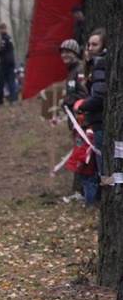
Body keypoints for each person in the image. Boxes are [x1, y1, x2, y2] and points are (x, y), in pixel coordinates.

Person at [74, 28, 106, 198]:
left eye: (95, 45)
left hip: (101, 125)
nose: (90, 48)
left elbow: (99, 96)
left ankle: (107, 197)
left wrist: (82, 106)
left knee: (104, 168)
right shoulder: (94, 67)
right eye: (89, 45)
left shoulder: (101, 65)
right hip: (97, 122)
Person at [58, 39, 90, 203]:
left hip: (82, 120)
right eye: (62, 52)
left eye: (68, 52)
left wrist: (68, 101)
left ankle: (86, 192)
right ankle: (82, 190)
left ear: (75, 53)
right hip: (75, 119)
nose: (64, 55)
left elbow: (84, 95)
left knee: (82, 155)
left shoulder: (78, 70)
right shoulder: (71, 70)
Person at [0, 22, 17, 105]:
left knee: (2, 80)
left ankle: (0, 100)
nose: (0, 31)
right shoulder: (10, 38)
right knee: (11, 80)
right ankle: (12, 98)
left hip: (5, 62)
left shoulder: (4, 39)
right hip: (11, 61)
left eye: (1, 29)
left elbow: (3, 50)